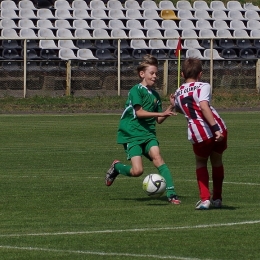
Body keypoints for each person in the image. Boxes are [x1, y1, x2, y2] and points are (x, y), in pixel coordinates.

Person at [105, 54, 180, 205]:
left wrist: (171, 106)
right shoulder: (136, 91)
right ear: (142, 74)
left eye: (156, 73)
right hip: (132, 134)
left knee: (158, 158)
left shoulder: (156, 96)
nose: (155, 76)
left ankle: (172, 194)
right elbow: (139, 113)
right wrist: (161, 112)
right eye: (152, 73)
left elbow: (158, 120)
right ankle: (117, 167)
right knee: (137, 171)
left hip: (148, 134)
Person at [172, 57, 227, 210]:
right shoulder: (204, 86)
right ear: (200, 74)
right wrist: (216, 129)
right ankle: (217, 198)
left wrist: (173, 104)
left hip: (199, 133)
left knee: (201, 162)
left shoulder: (178, 91)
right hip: (217, 127)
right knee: (217, 161)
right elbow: (203, 105)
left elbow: (181, 108)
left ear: (182, 74)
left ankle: (205, 199)